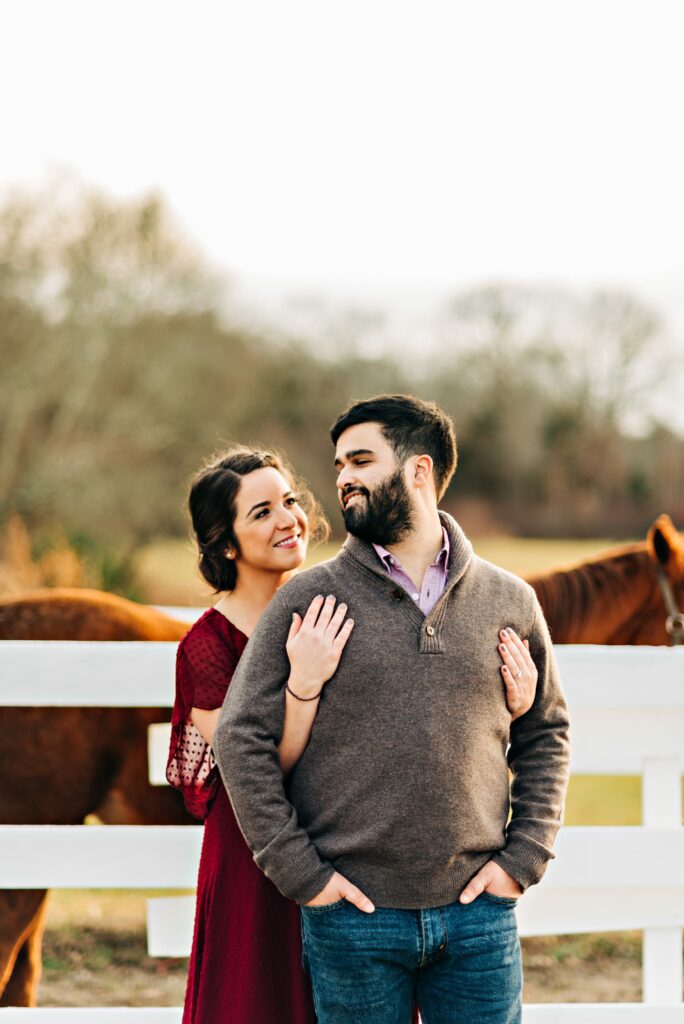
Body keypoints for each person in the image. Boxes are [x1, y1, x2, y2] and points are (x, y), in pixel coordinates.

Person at [214, 395, 570, 1024]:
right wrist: (306, 878)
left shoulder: (508, 599)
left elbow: (546, 732)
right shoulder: (309, 596)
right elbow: (239, 738)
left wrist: (523, 859)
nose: (343, 477)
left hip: (479, 918)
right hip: (353, 921)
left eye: (361, 460)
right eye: (339, 465)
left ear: (419, 471)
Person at [166, 446, 354, 1024]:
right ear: (226, 543)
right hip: (255, 847)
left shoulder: (330, 612)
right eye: (262, 511)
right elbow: (255, 768)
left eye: (290, 501)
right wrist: (303, 685)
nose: (288, 519)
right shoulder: (207, 648)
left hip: (342, 831)